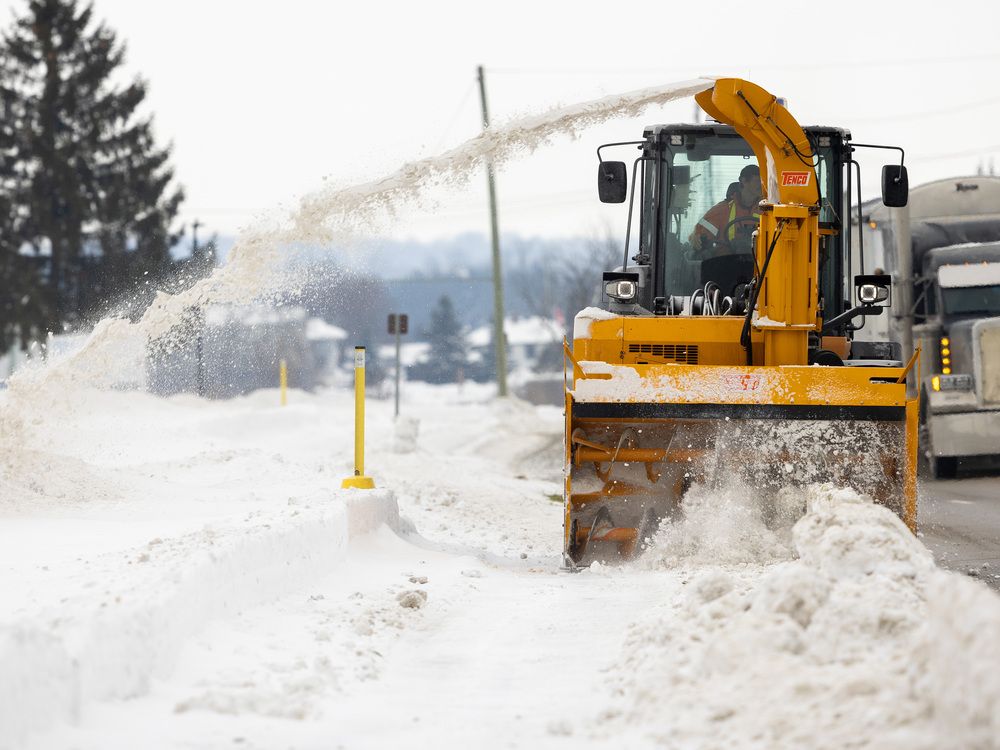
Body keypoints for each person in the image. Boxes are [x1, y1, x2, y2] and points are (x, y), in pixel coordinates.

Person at [689, 164, 762, 257]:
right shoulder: (721, 210)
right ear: (744, 181)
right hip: (726, 265)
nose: (762, 185)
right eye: (758, 181)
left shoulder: (768, 210)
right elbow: (698, 237)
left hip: (763, 267)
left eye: (763, 181)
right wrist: (696, 238)